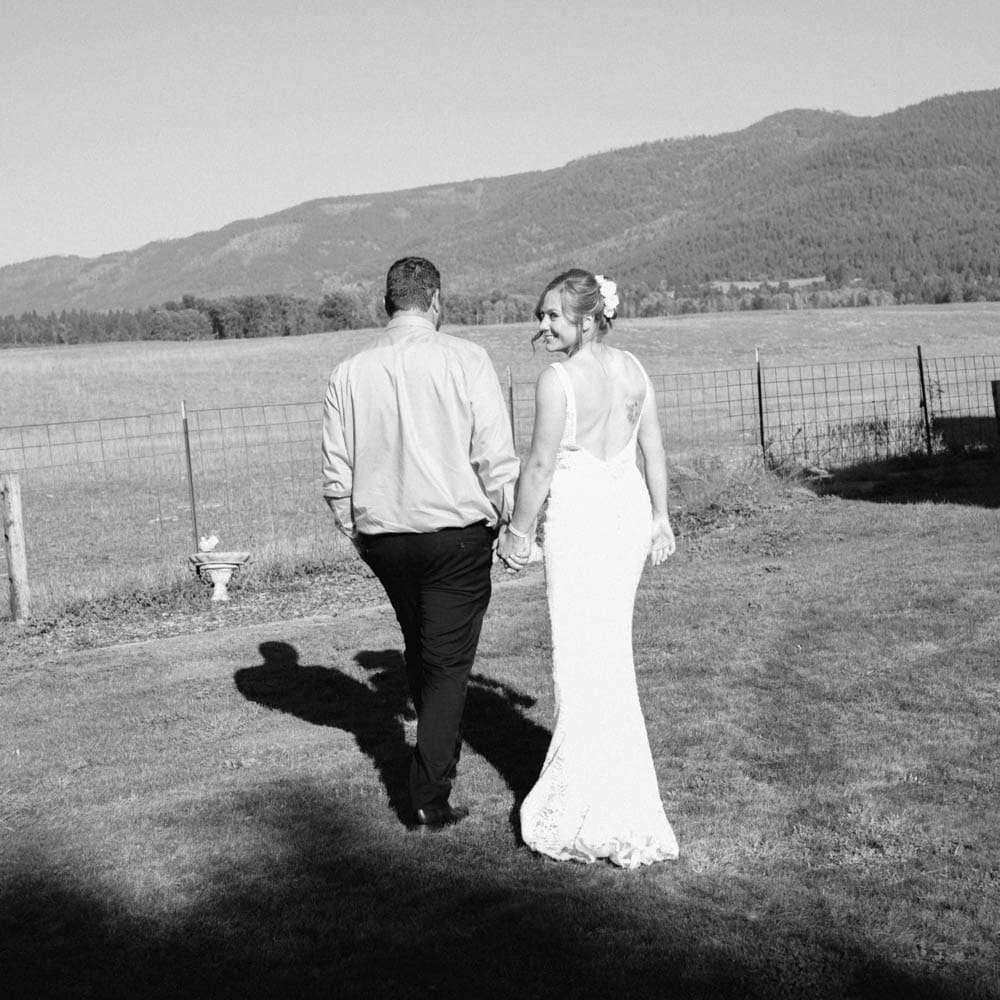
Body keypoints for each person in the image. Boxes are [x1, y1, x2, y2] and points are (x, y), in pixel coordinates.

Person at [322, 256, 519, 830]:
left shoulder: (347, 372)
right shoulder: (466, 359)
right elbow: (493, 454)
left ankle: (433, 764)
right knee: (449, 665)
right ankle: (429, 795)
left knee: (422, 648)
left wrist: (352, 529)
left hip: (385, 538)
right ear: (434, 299)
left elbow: (338, 468)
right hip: (455, 536)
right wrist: (515, 523)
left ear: (388, 302)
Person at [497, 268, 679, 868]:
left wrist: (518, 534)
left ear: (585, 317)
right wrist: (659, 517)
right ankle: (617, 795)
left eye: (552, 315)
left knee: (582, 662)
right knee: (608, 659)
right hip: (626, 518)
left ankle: (590, 805)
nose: (542, 326)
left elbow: (542, 465)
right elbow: (651, 448)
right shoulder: (634, 369)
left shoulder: (557, 381)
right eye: (541, 315)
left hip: (581, 525)